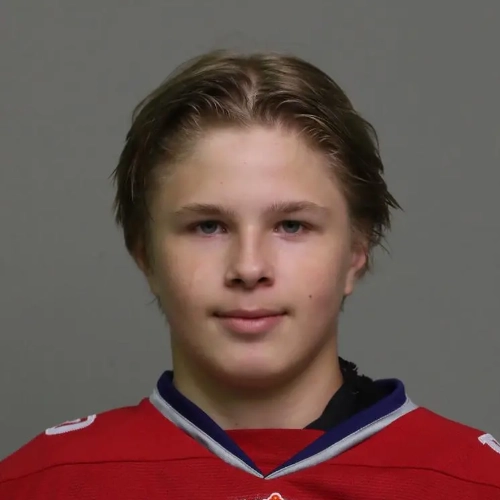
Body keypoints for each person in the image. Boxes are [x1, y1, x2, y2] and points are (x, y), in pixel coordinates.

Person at [1, 50, 499, 500]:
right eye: (208, 226)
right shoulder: (42, 483)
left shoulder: (476, 482)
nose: (249, 268)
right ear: (145, 256)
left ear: (355, 252)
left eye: (291, 225)